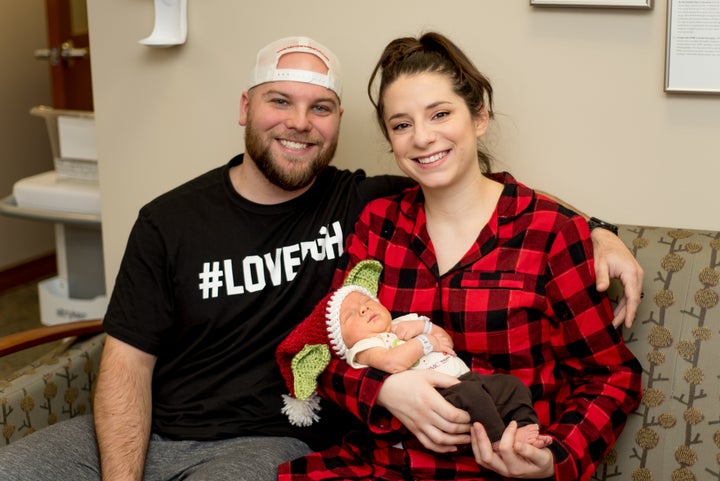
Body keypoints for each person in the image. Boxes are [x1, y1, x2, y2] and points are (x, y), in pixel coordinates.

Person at [0, 35, 640, 481]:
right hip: (219, 440)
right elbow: (140, 361)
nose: (299, 124)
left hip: (275, 447)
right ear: (246, 108)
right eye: (279, 101)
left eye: (321, 107)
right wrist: (388, 390)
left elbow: (478, 182)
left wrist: (598, 230)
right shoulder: (367, 221)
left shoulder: (363, 203)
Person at [277, 32, 643, 481]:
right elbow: (325, 351)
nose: (423, 138)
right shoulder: (379, 224)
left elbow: (611, 376)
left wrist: (555, 460)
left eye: (440, 114)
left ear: (480, 116)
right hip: (380, 467)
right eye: (402, 124)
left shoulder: (550, 232)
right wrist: (384, 389)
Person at [276, 259, 553, 451]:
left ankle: (526, 430)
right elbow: (394, 362)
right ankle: (498, 443)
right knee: (473, 398)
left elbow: (445, 339)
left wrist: (426, 327)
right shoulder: (365, 349)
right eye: (350, 315)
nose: (363, 309)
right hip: (438, 394)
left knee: (511, 385)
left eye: (366, 301)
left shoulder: (402, 324)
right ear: (343, 342)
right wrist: (424, 340)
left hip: (465, 375)